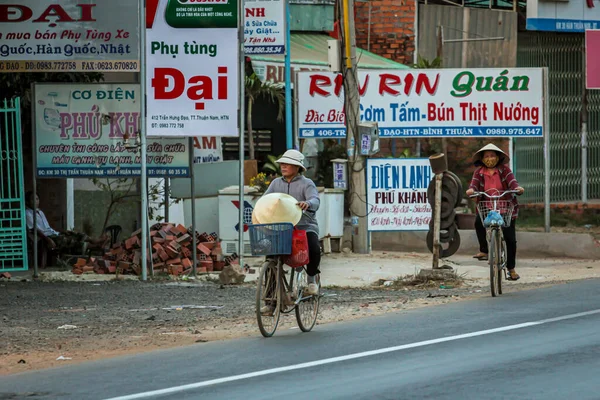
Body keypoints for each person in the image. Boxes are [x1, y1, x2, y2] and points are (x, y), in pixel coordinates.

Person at [263, 149, 321, 295]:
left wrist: (307, 203)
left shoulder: (307, 183)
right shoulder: (276, 183)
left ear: (297, 167)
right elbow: (265, 199)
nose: (283, 166)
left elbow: (315, 199)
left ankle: (311, 279)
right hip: (281, 227)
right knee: (271, 259)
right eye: (282, 163)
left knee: (314, 248)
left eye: (287, 164)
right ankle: (270, 299)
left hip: (304, 226)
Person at [465, 144, 524, 281]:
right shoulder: (479, 172)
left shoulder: (505, 170)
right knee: (479, 222)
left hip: (505, 207)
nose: (490, 158)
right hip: (487, 206)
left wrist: (517, 188)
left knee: (510, 239)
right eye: (487, 156)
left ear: (498, 157)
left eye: (492, 155)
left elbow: (512, 183)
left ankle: (511, 269)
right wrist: (471, 190)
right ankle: (484, 250)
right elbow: (473, 185)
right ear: (482, 159)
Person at [25, 191, 106, 256]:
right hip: (44, 238)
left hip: (52, 234)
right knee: (68, 240)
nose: (36, 201)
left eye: (37, 199)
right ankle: (95, 246)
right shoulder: (27, 213)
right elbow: (34, 229)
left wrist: (61, 231)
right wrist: (48, 240)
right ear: (28, 202)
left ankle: (95, 241)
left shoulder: (40, 212)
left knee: (73, 233)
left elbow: (47, 228)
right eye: (33, 199)